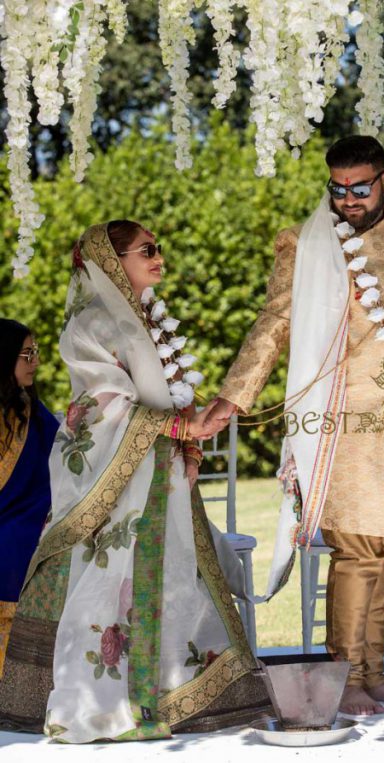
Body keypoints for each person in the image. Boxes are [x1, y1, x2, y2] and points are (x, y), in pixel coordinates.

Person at [196, 135, 384, 716]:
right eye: (337, 189)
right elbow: (274, 323)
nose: (347, 200)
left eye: (359, 188)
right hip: (339, 421)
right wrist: (233, 397)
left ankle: (374, 672)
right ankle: (346, 679)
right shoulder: (305, 244)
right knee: (357, 547)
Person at [0, 222, 270, 741]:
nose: (158, 257)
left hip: (160, 471)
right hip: (116, 477)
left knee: (177, 576)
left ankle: (179, 694)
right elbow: (100, 405)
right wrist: (176, 426)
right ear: (110, 259)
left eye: (158, 247)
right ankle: (105, 703)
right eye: (147, 250)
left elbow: (170, 393)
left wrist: (188, 437)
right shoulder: (92, 323)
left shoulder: (146, 319)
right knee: (109, 580)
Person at [0, 321, 59, 679]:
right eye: (26, 353)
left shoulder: (30, 408)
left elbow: (65, 456)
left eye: (35, 352)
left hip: (39, 519)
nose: (34, 361)